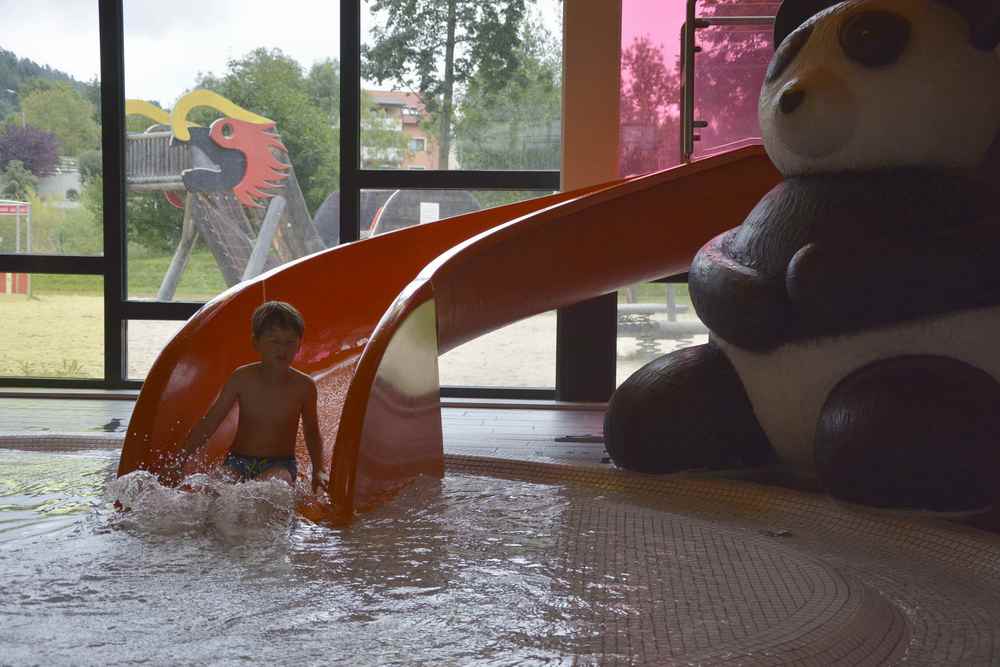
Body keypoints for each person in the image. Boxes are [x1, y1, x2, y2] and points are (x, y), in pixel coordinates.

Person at [176, 300, 327, 493]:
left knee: (270, 490)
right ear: (255, 342)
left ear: (299, 346)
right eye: (274, 341)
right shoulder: (241, 378)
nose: (283, 349)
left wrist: (318, 470)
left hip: (279, 464)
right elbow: (211, 421)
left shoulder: (304, 386)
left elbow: (312, 432)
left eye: (290, 342)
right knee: (214, 491)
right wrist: (181, 457)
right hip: (238, 460)